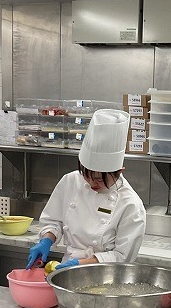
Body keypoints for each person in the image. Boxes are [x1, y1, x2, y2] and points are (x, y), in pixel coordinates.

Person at [26, 109, 146, 270]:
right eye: (86, 175)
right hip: (66, 269)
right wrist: (47, 240)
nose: (91, 182)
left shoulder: (131, 204)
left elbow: (122, 256)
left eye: (99, 179)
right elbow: (53, 220)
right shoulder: (70, 181)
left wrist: (79, 264)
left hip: (105, 274)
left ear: (119, 172)